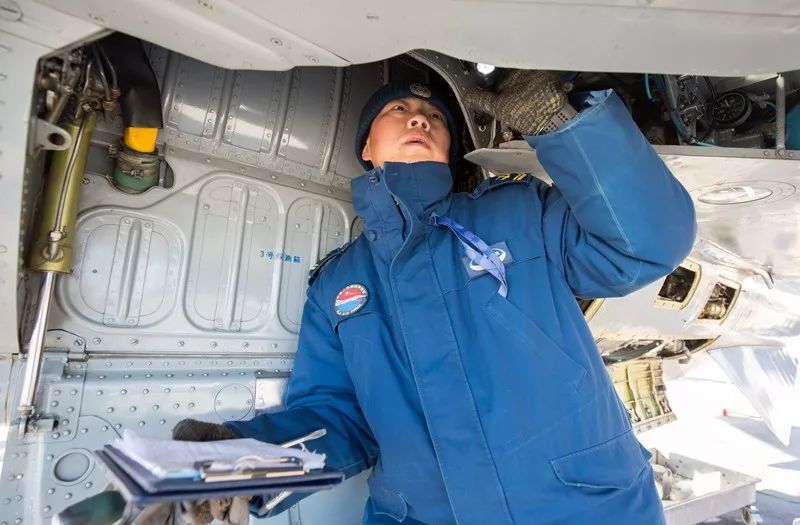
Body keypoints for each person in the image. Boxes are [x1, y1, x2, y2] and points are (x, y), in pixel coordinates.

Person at [173, 70, 696, 525]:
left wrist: (557, 125)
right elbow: (340, 419)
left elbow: (646, 244)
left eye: (434, 117)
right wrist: (245, 463)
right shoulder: (337, 286)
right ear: (366, 148)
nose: (419, 119)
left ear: (449, 146)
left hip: (583, 508)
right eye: (399, 110)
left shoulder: (519, 213)